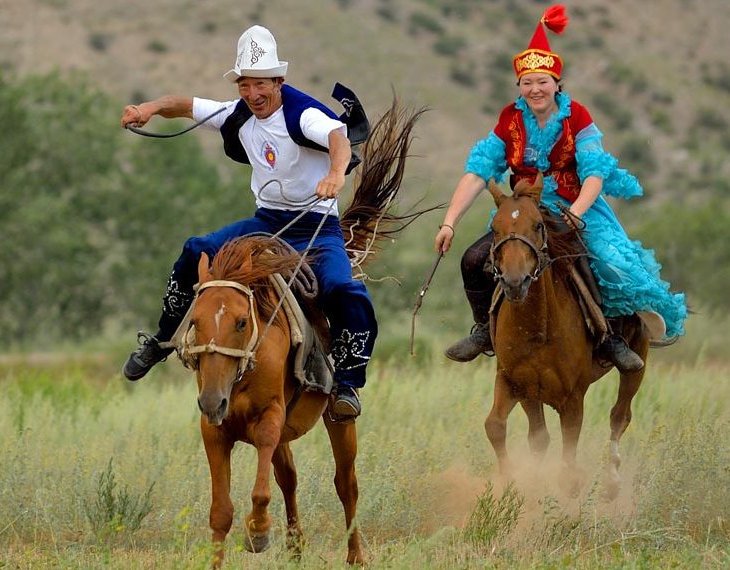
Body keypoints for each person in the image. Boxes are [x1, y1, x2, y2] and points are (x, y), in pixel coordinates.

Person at [120, 25, 374, 419]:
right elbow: (185, 104)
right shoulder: (238, 114)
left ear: (278, 81)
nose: (252, 94)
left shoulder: (301, 114)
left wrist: (336, 174)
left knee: (343, 289)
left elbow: (339, 138)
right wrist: (148, 109)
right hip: (266, 223)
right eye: (244, 85)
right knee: (194, 249)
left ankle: (348, 384)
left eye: (260, 85)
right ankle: (161, 340)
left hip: (317, 228)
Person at [433, 4, 687, 372]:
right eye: (527, 82)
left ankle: (609, 336)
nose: (535, 89)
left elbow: (595, 174)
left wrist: (575, 214)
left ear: (556, 83)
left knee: (604, 263)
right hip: (525, 209)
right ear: (519, 85)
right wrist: (449, 222)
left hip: (574, 204)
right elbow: (477, 172)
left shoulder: (578, 117)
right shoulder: (509, 120)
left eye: (542, 82)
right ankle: (483, 331)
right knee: (473, 260)